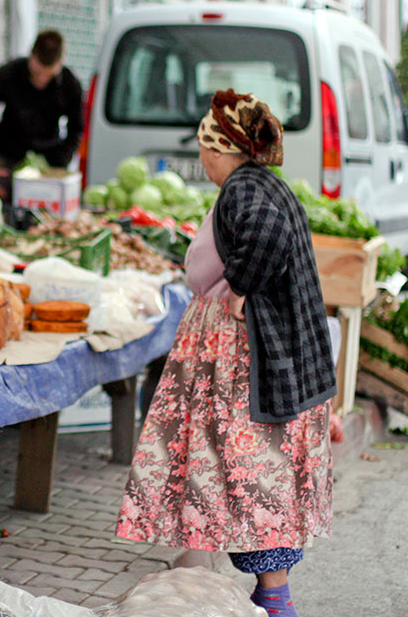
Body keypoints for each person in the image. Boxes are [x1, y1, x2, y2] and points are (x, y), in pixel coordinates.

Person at [115, 89, 337, 617]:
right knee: (243, 468)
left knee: (241, 465)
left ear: (221, 150)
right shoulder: (263, 183)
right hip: (262, 358)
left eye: (204, 150)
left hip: (244, 361)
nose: (201, 161)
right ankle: (257, 592)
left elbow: (266, 233)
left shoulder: (243, 189)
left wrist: (239, 283)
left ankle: (267, 595)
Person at [0, 30, 83, 202]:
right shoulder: (9, 73)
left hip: (47, 163)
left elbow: (76, 129)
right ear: (31, 56)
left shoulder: (70, 84)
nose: (41, 80)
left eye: (49, 75)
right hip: (7, 158)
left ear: (60, 64)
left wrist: (60, 166)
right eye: (37, 73)